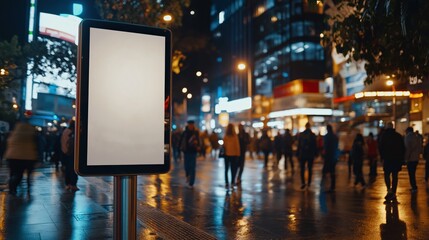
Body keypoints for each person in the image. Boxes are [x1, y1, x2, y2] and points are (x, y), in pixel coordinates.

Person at [4, 121, 39, 195]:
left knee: (14, 173)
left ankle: (12, 187)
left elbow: (8, 144)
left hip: (12, 156)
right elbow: (36, 145)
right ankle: (21, 185)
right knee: (22, 174)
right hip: (27, 157)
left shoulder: (14, 135)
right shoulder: (30, 134)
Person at [379, 122, 405, 203]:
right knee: (395, 176)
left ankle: (389, 190)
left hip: (387, 159)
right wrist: (401, 159)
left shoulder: (384, 136)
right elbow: (403, 148)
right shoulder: (398, 136)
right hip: (396, 160)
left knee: (387, 175)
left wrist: (382, 157)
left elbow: (381, 147)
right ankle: (393, 192)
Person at [179, 120, 200, 188]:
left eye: (192, 124)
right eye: (190, 124)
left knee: (193, 167)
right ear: (188, 125)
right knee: (186, 166)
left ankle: (191, 183)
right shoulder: (185, 132)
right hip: (186, 151)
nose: (191, 126)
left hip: (193, 152)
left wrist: (199, 147)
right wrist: (179, 149)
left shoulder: (196, 132)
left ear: (193, 125)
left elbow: (199, 140)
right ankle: (188, 175)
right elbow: (181, 141)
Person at [297, 122, 317, 190]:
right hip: (310, 154)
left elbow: (299, 146)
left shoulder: (301, 134)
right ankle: (309, 183)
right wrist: (316, 154)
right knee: (310, 169)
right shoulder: (313, 135)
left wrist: (297, 154)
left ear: (305, 127)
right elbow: (315, 145)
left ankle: (303, 183)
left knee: (302, 169)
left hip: (303, 154)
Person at [61, 120, 79, 191]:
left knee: (67, 169)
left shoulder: (65, 131)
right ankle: (73, 184)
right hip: (72, 153)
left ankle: (67, 184)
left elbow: (62, 142)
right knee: (74, 169)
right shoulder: (73, 132)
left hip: (65, 152)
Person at [222, 123, 240, 188]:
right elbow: (237, 146)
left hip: (227, 154)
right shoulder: (235, 136)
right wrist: (238, 154)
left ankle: (226, 182)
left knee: (226, 169)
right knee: (233, 169)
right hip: (234, 155)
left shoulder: (225, 136)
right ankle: (232, 182)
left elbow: (224, 145)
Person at [322, 124, 339, 192]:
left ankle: (325, 186)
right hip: (333, 155)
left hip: (328, 155)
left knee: (325, 171)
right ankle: (332, 185)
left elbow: (325, 146)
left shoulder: (327, 136)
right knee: (332, 171)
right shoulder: (335, 136)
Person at [404, 127, 421, 192]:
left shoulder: (408, 137)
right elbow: (420, 148)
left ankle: (414, 187)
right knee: (413, 173)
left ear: (407, 131)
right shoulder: (417, 137)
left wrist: (406, 158)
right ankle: (414, 186)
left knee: (411, 174)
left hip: (411, 158)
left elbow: (408, 149)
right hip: (416, 158)